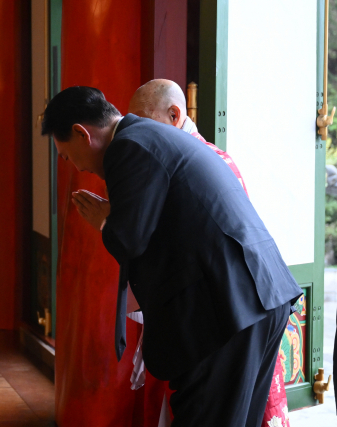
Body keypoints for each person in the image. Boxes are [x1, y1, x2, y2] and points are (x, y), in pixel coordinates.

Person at [41, 86, 302, 426]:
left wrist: (106, 222)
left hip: (228, 307)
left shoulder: (127, 146)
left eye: (66, 156)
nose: (75, 166)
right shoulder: (150, 136)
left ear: (81, 133)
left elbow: (129, 240)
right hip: (254, 296)